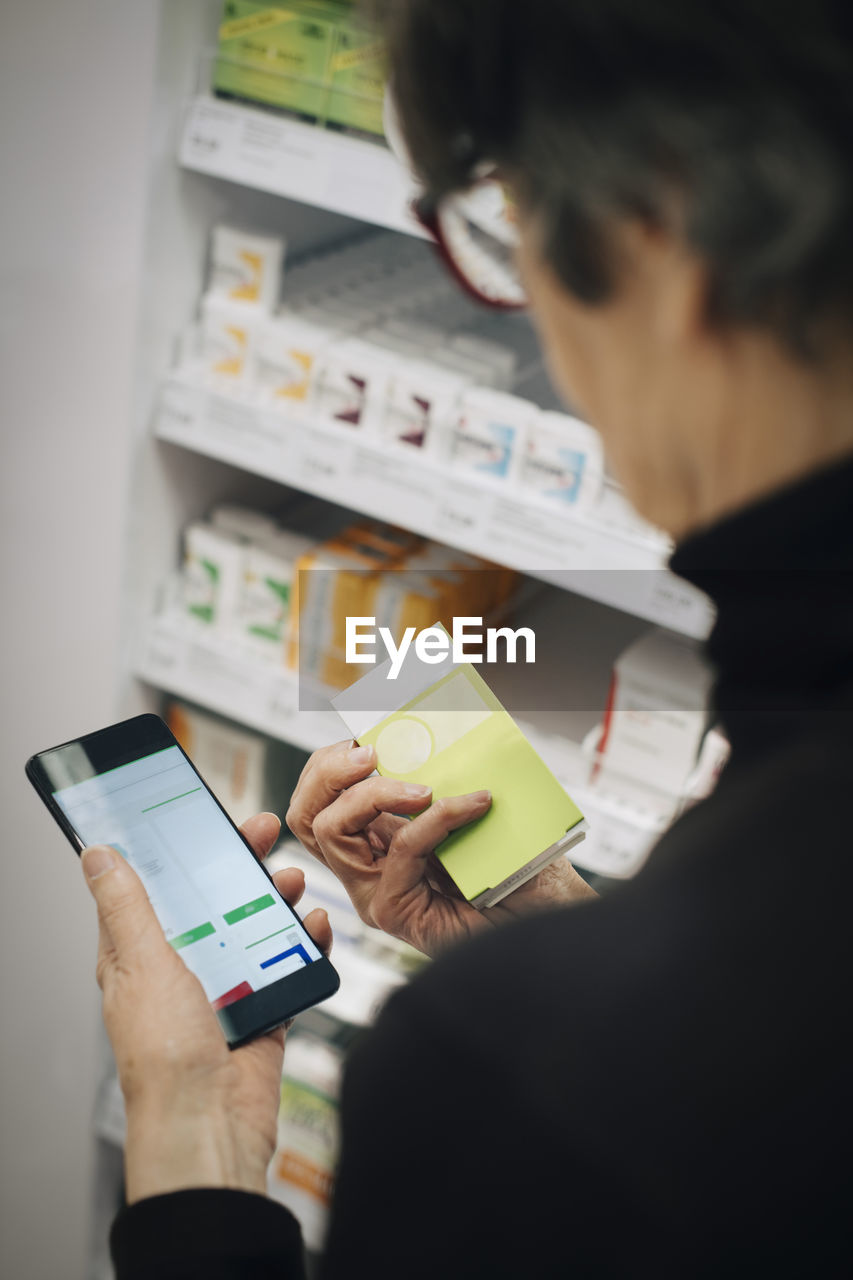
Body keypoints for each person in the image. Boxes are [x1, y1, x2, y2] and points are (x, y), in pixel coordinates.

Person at [83, 2, 853, 1275]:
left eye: (504, 226)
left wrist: (188, 1138)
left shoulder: (509, 1084)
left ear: (660, 234)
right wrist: (560, 929)